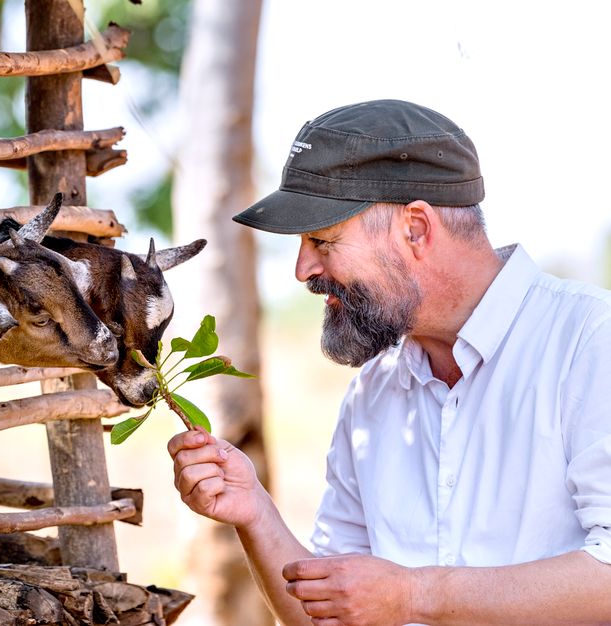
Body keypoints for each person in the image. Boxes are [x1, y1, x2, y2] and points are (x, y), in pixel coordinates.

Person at [168, 99, 611, 625]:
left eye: (322, 241)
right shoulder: (373, 393)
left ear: (416, 229)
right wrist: (254, 511)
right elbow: (331, 614)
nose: (303, 269)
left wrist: (416, 596)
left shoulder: (591, 343)